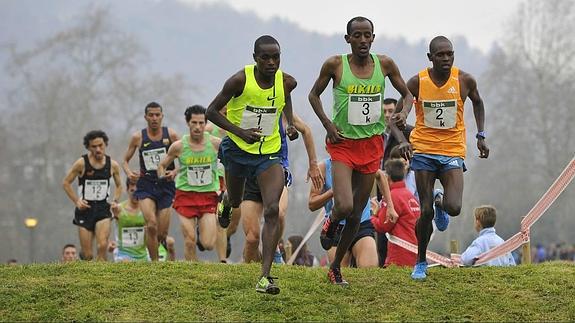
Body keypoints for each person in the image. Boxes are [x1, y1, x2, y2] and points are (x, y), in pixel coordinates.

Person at [308, 16, 412, 285]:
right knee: (344, 204)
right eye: (358, 36)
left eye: (368, 35)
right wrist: (327, 124)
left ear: (373, 38)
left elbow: (408, 94)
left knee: (357, 213)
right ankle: (331, 221)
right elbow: (313, 95)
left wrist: (404, 112)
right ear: (348, 39)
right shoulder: (335, 65)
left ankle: (335, 268)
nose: (363, 40)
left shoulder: (385, 64)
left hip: (371, 145)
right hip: (343, 144)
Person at [206, 35, 297, 294]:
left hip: (269, 154)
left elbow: (285, 96)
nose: (271, 62)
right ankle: (226, 199)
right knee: (235, 202)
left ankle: (264, 276)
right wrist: (240, 132)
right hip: (237, 150)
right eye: (265, 57)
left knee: (272, 211)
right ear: (254, 57)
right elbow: (211, 112)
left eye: (276, 57)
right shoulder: (239, 80)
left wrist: (289, 123)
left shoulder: (287, 81)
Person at [397, 36, 490, 280]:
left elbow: (478, 103)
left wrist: (481, 135)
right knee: (424, 212)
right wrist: (404, 140)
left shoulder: (464, 80)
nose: (446, 58)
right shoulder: (417, 82)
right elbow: (395, 118)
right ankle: (420, 262)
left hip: (451, 151)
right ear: (430, 57)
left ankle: (441, 204)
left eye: (450, 54)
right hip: (424, 151)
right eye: (440, 55)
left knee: (454, 207)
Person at [241, 112, 323, 264]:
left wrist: (313, 164)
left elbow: (306, 130)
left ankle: (275, 248)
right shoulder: (248, 106)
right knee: (252, 238)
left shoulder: (282, 111)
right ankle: (249, 271)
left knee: (278, 213)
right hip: (250, 174)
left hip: (277, 171)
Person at [158, 105, 226, 262]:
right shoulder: (179, 146)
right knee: (189, 240)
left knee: (208, 244)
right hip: (185, 196)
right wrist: (163, 176)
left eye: (201, 123)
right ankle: (191, 273)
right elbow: (162, 165)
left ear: (205, 124)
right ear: (188, 123)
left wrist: (227, 187)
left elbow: (229, 164)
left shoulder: (216, 144)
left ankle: (200, 226)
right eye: (194, 123)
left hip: (208, 195)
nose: (198, 127)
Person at [122, 102, 179, 261]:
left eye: (157, 115)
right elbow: (125, 160)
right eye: (151, 115)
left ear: (162, 116)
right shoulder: (138, 137)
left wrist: (174, 171)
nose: (154, 118)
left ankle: (162, 251)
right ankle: (154, 265)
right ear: (145, 117)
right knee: (151, 225)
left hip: (166, 185)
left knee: (162, 233)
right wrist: (128, 173)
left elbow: (186, 159)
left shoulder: (172, 135)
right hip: (146, 185)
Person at [308, 158, 381, 269]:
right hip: (336, 227)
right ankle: (332, 220)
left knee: (369, 269)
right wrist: (332, 192)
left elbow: (380, 175)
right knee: (340, 273)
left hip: (361, 223)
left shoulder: (362, 161)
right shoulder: (323, 168)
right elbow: (312, 204)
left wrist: (390, 205)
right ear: (328, 148)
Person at [62, 130, 122, 261]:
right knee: (87, 254)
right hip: (85, 209)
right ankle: (86, 268)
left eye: (101, 145)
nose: (98, 149)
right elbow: (66, 183)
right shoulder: (81, 163)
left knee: (102, 245)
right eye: (94, 147)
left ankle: (102, 277)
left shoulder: (113, 165)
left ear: (105, 144)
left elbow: (119, 186)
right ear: (88, 147)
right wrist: (77, 201)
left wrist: (115, 200)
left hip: (102, 208)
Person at [371, 159, 420, 267]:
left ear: (387, 177)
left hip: (399, 256)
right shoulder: (410, 196)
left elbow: (382, 225)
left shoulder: (392, 197)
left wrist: (373, 215)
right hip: (415, 253)